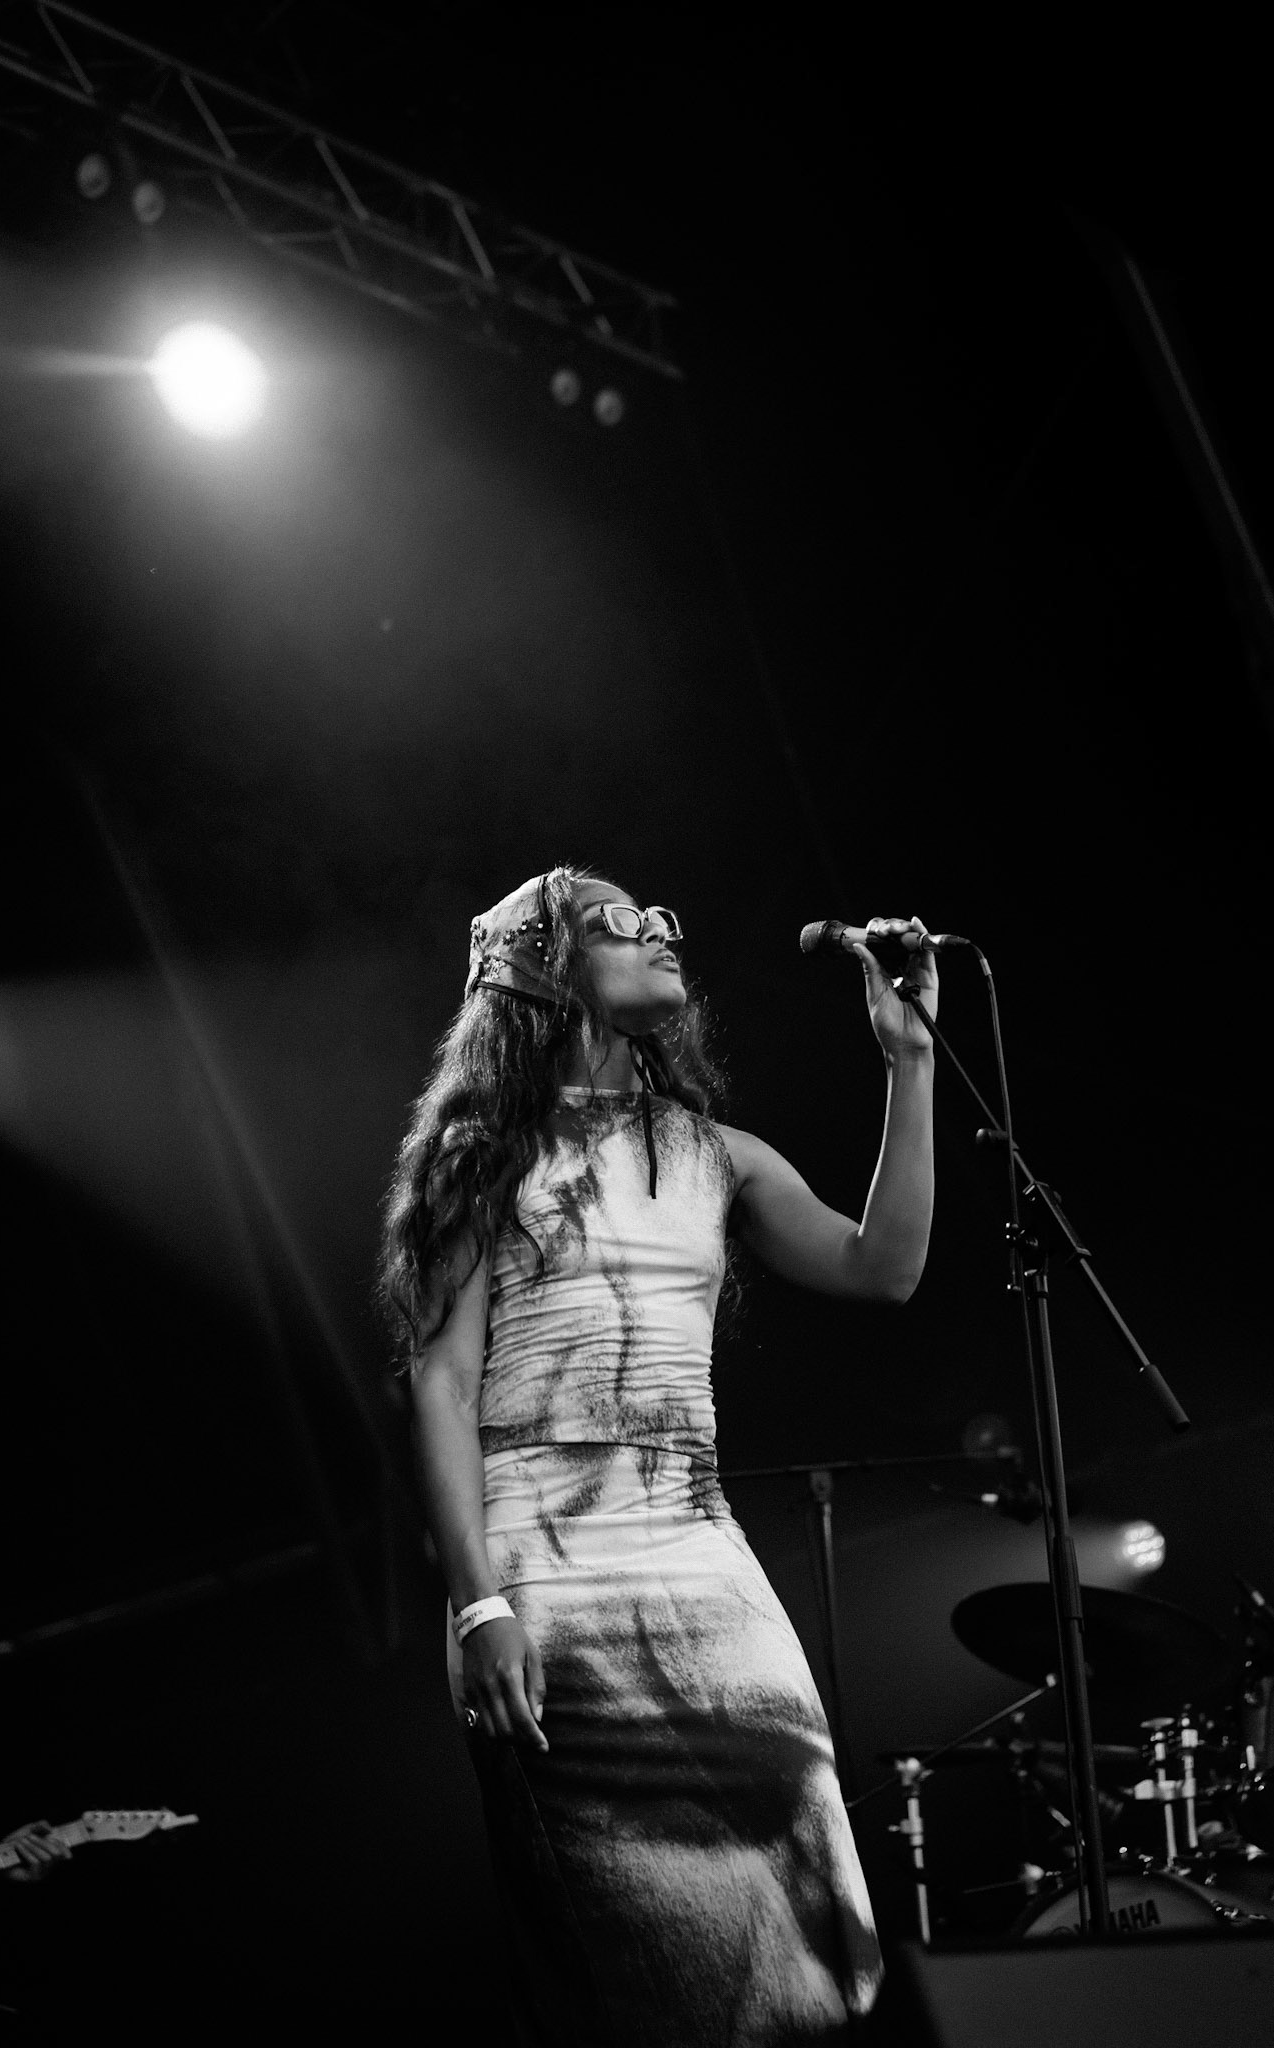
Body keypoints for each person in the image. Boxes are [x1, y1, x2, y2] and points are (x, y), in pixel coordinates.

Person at [381, 867, 937, 2045]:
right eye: (617, 924)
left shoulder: (714, 1151)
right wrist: (478, 1604)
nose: (661, 932)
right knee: (635, 1952)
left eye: (662, 916)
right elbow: (443, 1381)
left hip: (699, 1547)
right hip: (544, 1565)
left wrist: (910, 1063)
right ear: (542, 966)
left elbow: (882, 1266)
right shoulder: (477, 1154)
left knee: (808, 1873)